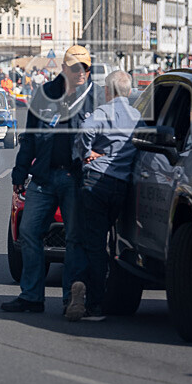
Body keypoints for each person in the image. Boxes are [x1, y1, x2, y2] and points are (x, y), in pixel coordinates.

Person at [2, 45, 98, 314]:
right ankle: (32, 297)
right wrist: (19, 175)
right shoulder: (44, 95)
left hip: (75, 178)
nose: (82, 72)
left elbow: (109, 137)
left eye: (86, 67)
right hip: (43, 177)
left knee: (75, 238)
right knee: (29, 233)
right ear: (64, 68)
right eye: (77, 67)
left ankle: (72, 299)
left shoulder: (95, 97)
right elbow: (30, 138)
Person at [66, 71, 143, 321]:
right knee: (111, 242)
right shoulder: (136, 116)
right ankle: (103, 291)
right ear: (129, 92)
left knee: (94, 244)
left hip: (96, 182)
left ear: (108, 92)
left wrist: (87, 153)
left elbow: (85, 131)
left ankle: (94, 302)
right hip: (120, 186)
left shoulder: (102, 113)